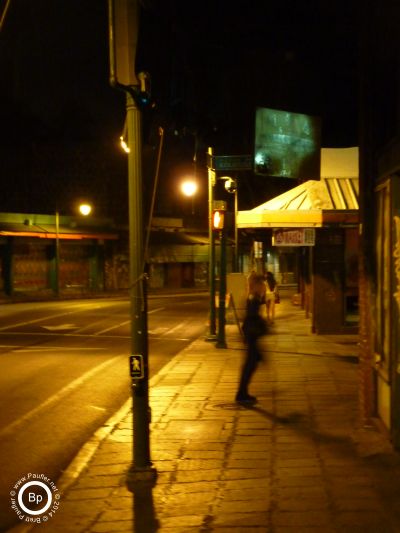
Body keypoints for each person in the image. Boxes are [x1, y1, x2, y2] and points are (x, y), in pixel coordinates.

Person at [235, 273, 268, 404]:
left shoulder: (252, 297)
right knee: (250, 365)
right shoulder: (254, 298)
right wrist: (263, 326)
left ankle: (242, 392)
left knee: (251, 364)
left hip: (251, 335)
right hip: (252, 335)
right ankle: (241, 394)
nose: (264, 287)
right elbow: (252, 317)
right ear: (258, 285)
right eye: (262, 285)